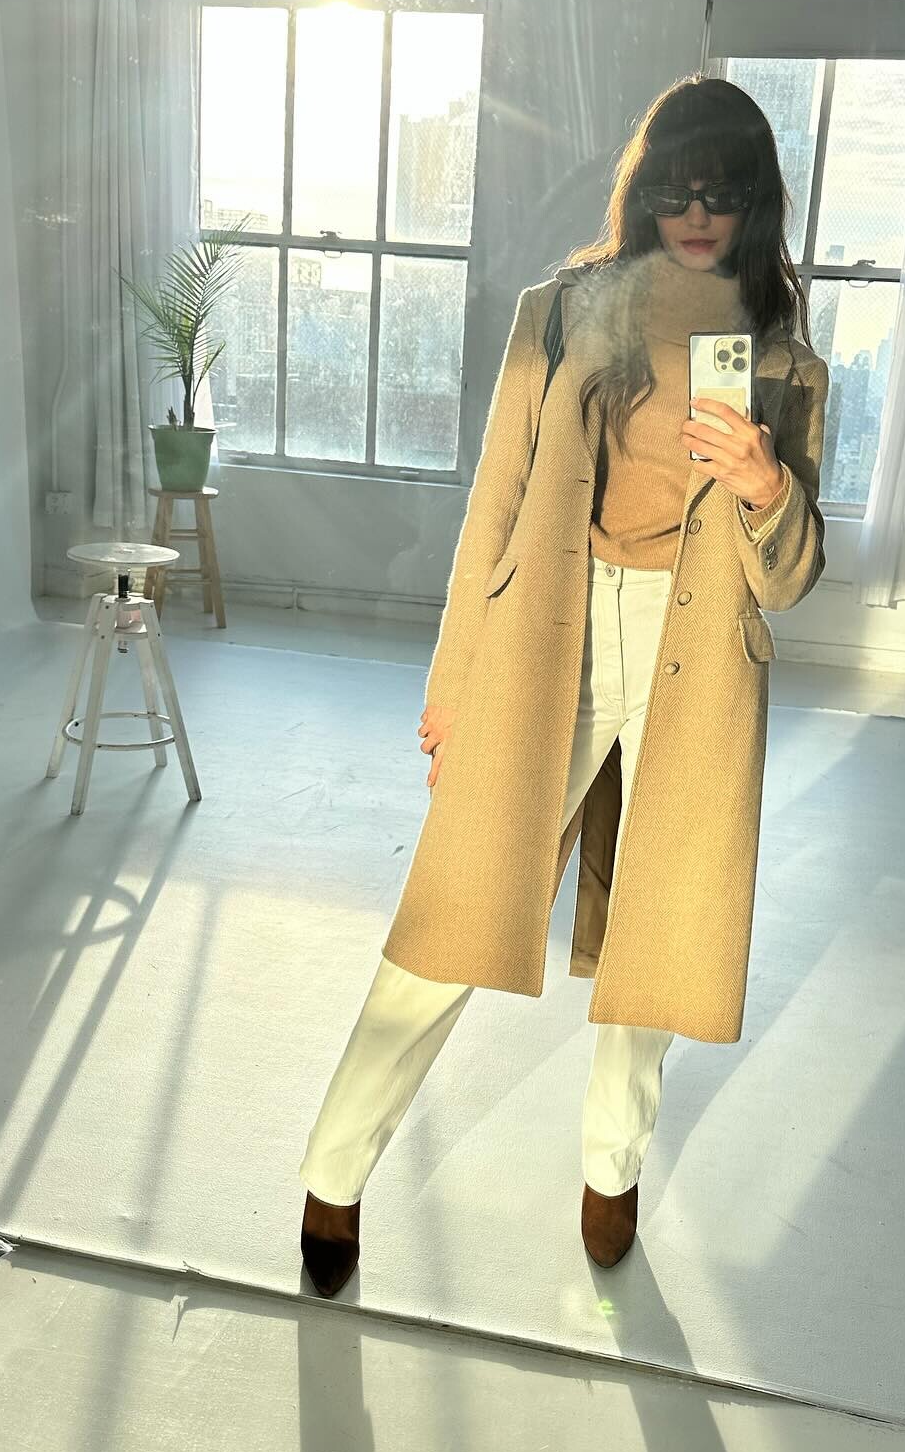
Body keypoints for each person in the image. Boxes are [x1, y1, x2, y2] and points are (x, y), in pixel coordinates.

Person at [298, 73, 831, 1298]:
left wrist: (766, 485)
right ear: (646, 190)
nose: (696, 215)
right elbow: (492, 507)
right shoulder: (560, 313)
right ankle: (334, 1170)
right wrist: (453, 681)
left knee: (660, 932)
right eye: (677, 189)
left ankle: (611, 1167)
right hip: (554, 633)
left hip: (700, 662)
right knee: (454, 909)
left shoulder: (784, 362)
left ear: (753, 203)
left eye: (723, 194)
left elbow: (791, 580)